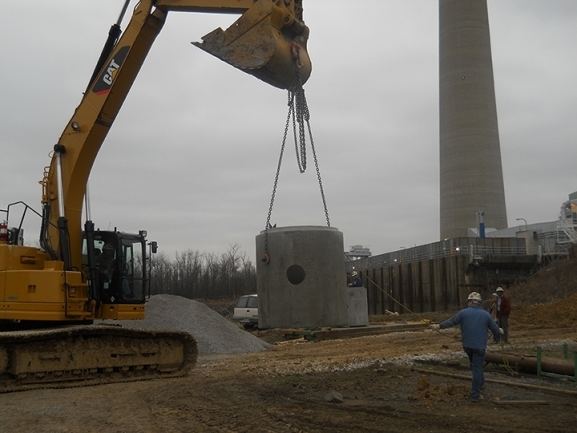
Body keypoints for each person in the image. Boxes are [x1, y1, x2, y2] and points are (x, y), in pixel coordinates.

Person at [431, 291, 501, 402]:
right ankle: (475, 396)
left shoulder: (463, 313)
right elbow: (495, 330)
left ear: (469, 302)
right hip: (479, 347)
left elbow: (451, 321)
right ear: (479, 303)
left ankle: (481, 385)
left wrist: (438, 326)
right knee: (477, 368)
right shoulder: (486, 314)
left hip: (467, 346)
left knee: (475, 366)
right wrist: (497, 339)